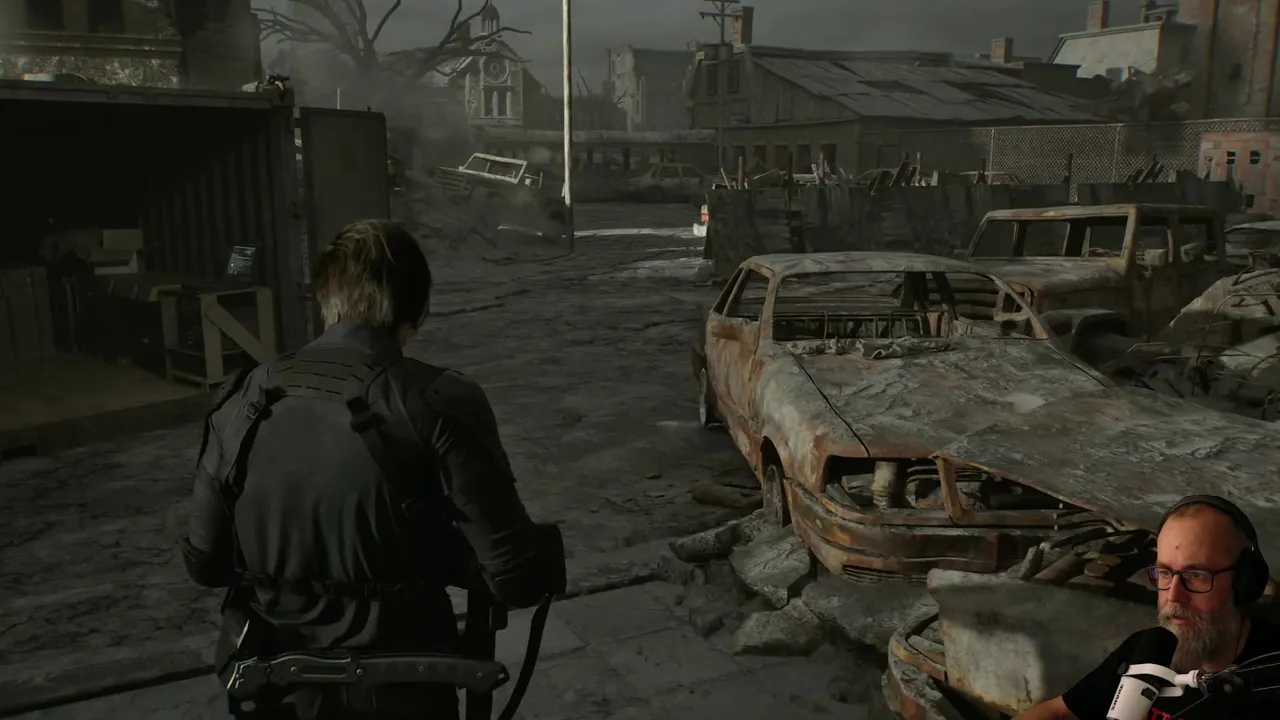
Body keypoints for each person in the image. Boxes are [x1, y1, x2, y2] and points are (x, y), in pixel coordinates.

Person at [180, 219, 565, 719]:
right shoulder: (438, 399)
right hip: (401, 691)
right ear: (416, 310)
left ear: (326, 300)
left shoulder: (243, 398)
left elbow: (204, 565)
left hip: (273, 691)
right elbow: (516, 578)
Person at [1014, 494, 1280, 720]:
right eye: (1165, 573)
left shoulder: (1272, 675)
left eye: (1196, 575)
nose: (1173, 597)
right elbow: (1060, 712)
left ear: (1244, 582)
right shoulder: (1148, 648)